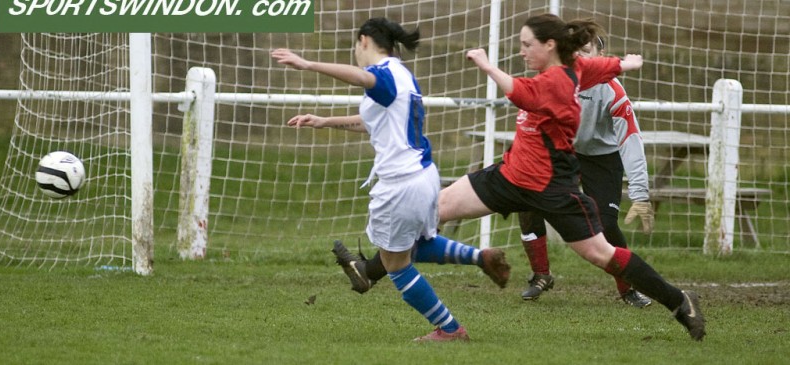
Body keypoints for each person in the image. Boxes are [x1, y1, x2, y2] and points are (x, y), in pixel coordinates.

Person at [335, 14, 705, 342]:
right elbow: (604, 65)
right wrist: (626, 63)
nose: (523, 51)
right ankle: (371, 271)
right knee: (432, 211)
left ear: (550, 45)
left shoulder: (555, 82)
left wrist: (485, 64)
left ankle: (678, 301)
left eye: (528, 45)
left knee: (601, 253)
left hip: (551, 188)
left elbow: (517, 91)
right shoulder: (575, 69)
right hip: (510, 176)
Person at [271, 17, 471, 342]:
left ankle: (449, 329)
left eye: (355, 45)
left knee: (395, 265)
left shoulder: (384, 74)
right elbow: (371, 122)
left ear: (364, 41)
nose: (355, 52)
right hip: (422, 175)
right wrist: (324, 121)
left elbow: (362, 77)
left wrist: (307, 64)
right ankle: (480, 257)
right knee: (414, 247)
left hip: (401, 182)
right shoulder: (401, 74)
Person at [518, 34, 655, 307]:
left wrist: (640, 193)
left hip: (602, 159)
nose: (579, 56)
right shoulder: (552, 81)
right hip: (562, 154)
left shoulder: (612, 90)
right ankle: (541, 275)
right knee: (528, 202)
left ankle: (627, 289)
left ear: (600, 55)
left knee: (605, 225)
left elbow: (630, 140)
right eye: (573, 51)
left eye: (585, 50)